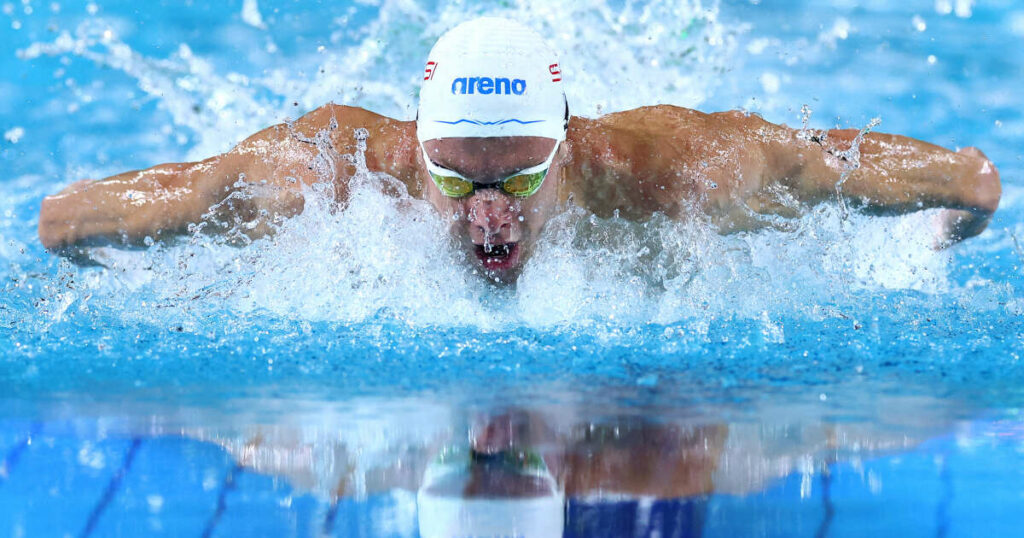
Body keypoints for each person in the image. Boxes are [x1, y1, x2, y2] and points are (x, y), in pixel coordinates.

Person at [38, 17, 1001, 281]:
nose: (489, 217)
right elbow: (71, 218)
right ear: (414, 151)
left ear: (570, 145)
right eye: (455, 179)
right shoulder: (329, 177)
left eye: (520, 178)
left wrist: (958, 212)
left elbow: (841, 161)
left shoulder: (677, 174)